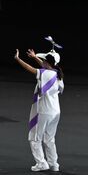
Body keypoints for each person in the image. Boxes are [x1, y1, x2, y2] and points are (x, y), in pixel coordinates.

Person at [14, 39, 64, 172]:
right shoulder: (58, 74)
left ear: (47, 62)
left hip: (43, 111)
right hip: (55, 112)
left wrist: (18, 59)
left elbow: (32, 69)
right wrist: (35, 57)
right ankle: (54, 164)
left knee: (35, 138)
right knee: (49, 139)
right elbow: (45, 66)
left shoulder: (44, 73)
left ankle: (41, 163)